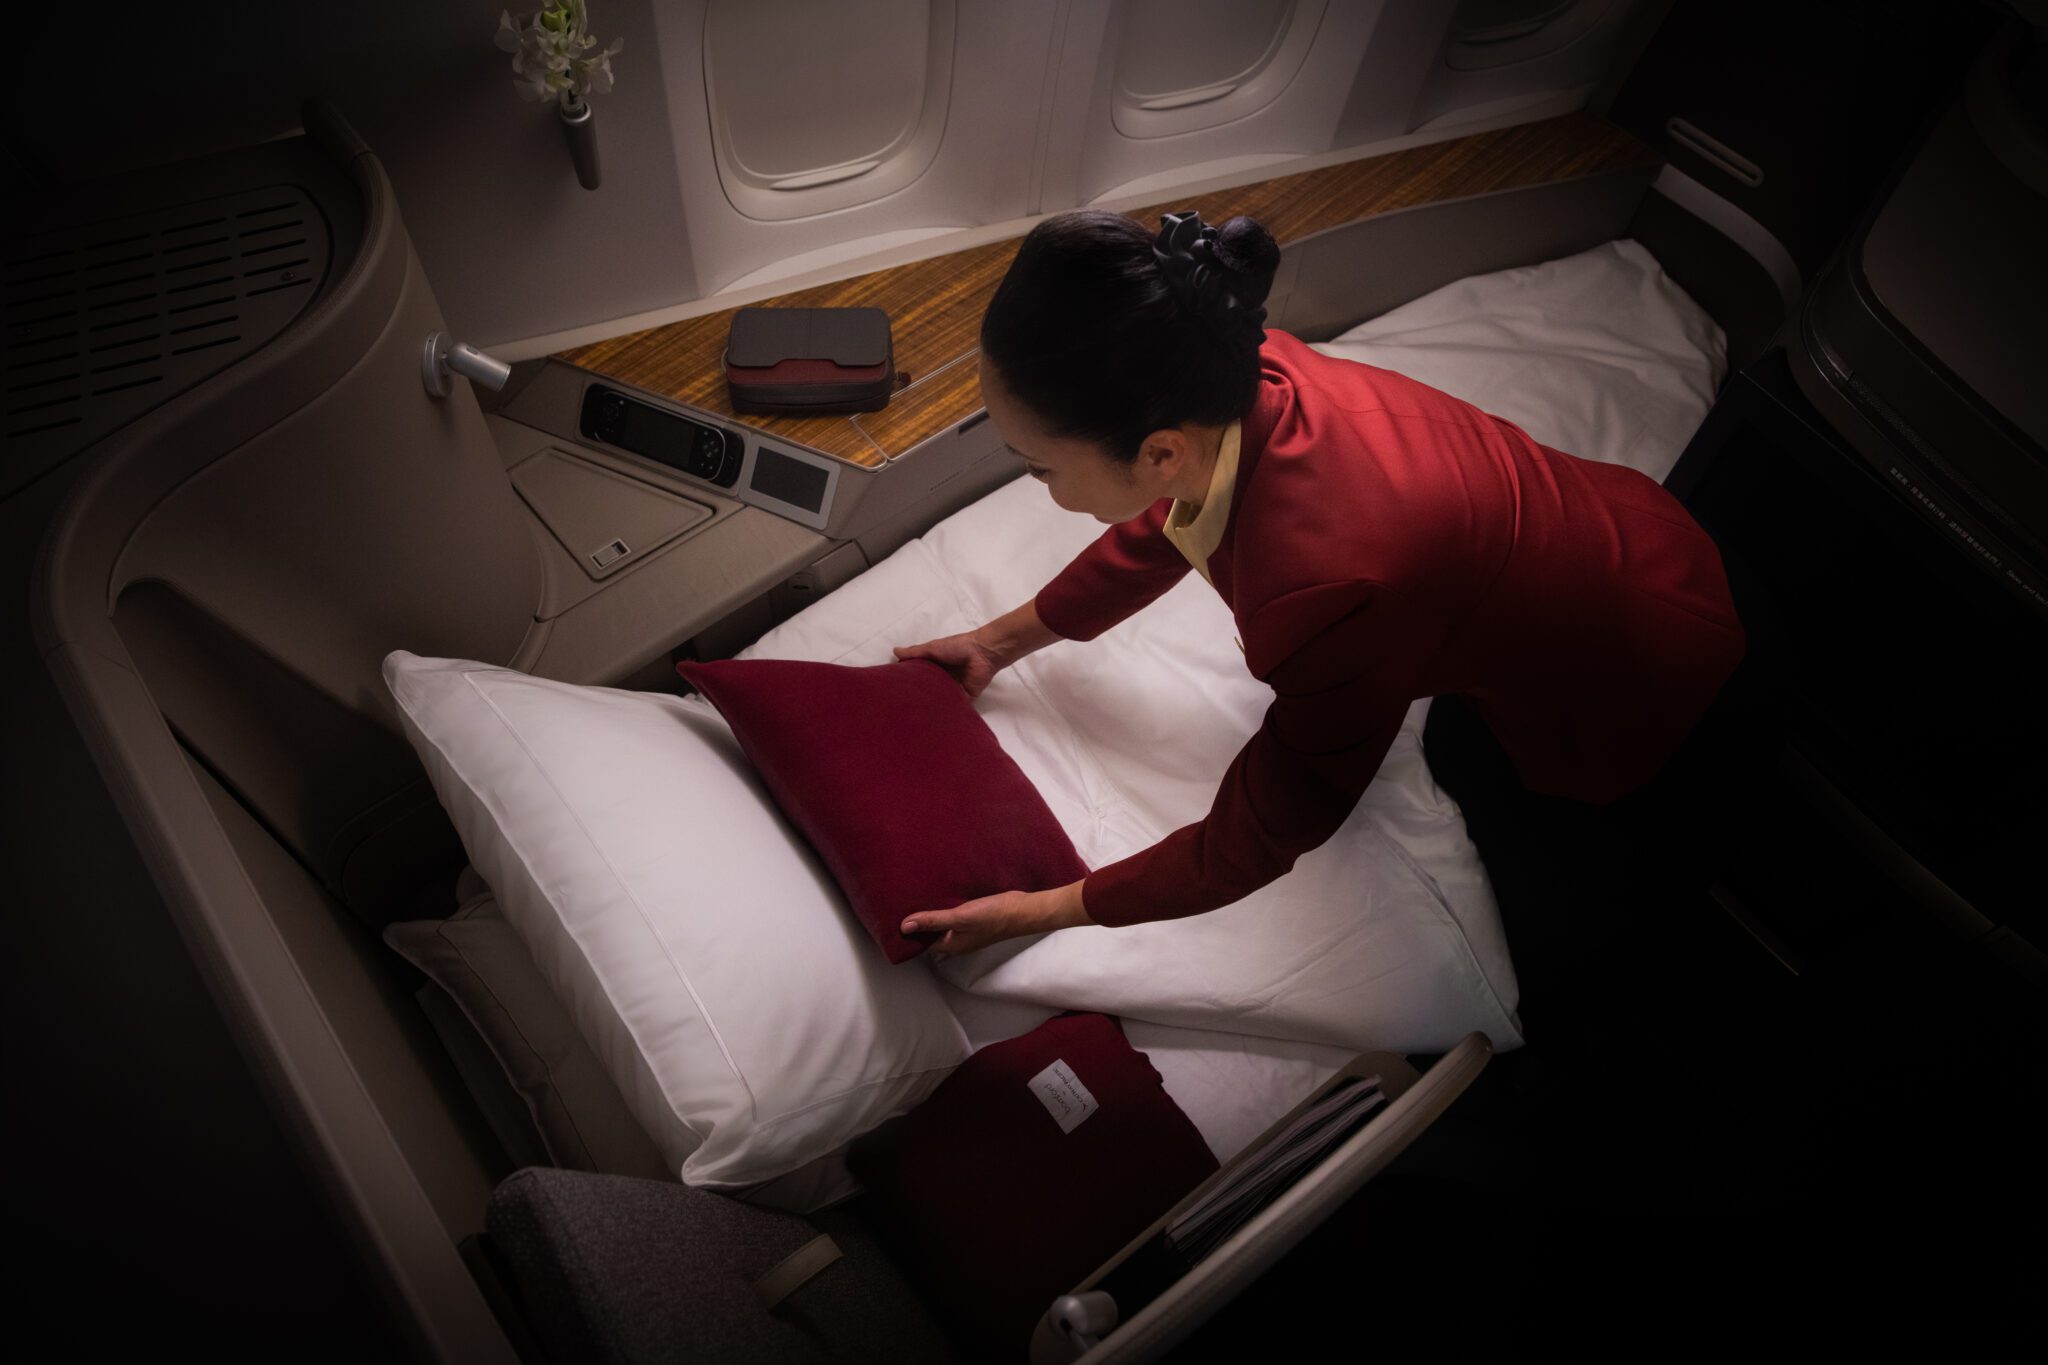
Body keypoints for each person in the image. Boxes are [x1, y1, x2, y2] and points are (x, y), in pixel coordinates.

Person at [893, 208, 1746, 955]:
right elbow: (1166, 527)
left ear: (1159, 450)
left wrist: (1042, 909)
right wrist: (996, 643)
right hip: (1636, 526)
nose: (1038, 484)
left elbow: (1265, 826)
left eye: (1038, 467)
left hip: (1633, 672)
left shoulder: (1326, 592)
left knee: (1519, 814)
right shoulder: (1238, 371)